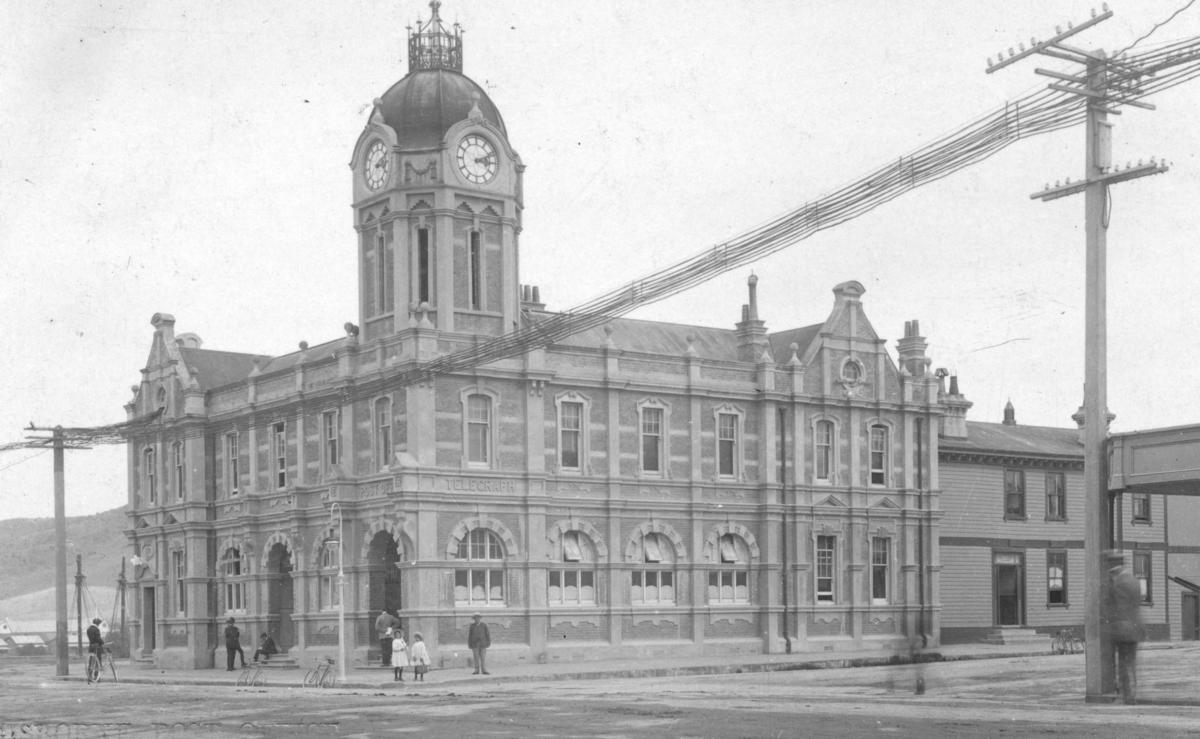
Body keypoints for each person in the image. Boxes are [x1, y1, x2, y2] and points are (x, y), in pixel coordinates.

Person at [1105, 552, 1145, 704]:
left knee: (1124, 664)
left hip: (1124, 629)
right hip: (1134, 627)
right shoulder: (1133, 580)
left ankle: (1128, 696)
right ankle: (1130, 693)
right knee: (1130, 663)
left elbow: (1119, 608)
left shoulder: (1120, 583)